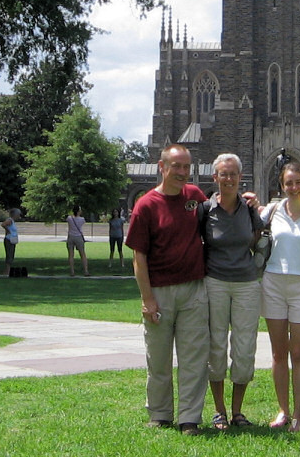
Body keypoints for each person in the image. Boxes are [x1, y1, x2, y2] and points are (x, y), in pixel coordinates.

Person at [125, 144, 209, 435]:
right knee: (158, 358)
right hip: (159, 292)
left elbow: (221, 212)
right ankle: (160, 414)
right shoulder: (146, 205)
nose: (182, 172)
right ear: (162, 167)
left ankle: (189, 418)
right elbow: (139, 257)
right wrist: (147, 298)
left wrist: (248, 201)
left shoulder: (195, 196)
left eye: (186, 166)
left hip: (193, 290)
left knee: (194, 359)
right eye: (176, 166)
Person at [202, 153, 263, 430]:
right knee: (216, 345)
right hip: (215, 282)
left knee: (244, 347)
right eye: (223, 174)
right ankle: (219, 411)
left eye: (233, 174)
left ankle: (237, 411)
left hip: (246, 284)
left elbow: (257, 237)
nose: (228, 178)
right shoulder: (206, 209)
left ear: (240, 177)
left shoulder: (249, 208)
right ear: (215, 177)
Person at [260, 162, 300, 433]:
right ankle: (283, 411)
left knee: (298, 353)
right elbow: (248, 223)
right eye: (288, 183)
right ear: (282, 185)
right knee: (278, 353)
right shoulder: (272, 210)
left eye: (298, 182)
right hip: (273, 282)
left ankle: (298, 415)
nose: (293, 187)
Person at [66, 205, 89, 277]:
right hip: (78, 237)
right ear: (79, 211)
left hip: (70, 236)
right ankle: (86, 271)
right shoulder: (82, 219)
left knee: (71, 255)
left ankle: (72, 271)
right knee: (82, 254)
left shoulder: (69, 218)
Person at [1, 208, 21, 277]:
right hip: (9, 240)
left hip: (12, 240)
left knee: (11, 255)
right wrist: (8, 231)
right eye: (18, 214)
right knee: (9, 255)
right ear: (15, 214)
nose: (19, 216)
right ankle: (7, 272)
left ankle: (7, 271)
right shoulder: (10, 220)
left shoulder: (13, 221)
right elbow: (3, 224)